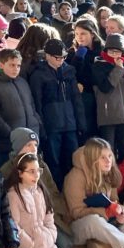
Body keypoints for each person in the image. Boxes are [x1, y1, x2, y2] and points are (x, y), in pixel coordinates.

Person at [5, 152, 74, 248]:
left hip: (45, 243)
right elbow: (15, 227)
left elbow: (49, 218)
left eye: (38, 170)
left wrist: (50, 236)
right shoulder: (13, 195)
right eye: (31, 171)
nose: (36, 175)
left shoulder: (40, 190)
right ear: (20, 173)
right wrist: (30, 244)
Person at [29, 38, 84, 187]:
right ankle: (56, 192)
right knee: (53, 163)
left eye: (63, 57)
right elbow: (37, 103)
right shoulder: (38, 74)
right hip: (51, 126)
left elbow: (76, 99)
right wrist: (41, 128)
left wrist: (81, 123)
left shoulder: (69, 71)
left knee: (73, 160)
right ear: (47, 55)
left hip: (70, 123)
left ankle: (72, 189)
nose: (60, 61)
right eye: (57, 57)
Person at [0, 49, 41, 168]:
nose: (16, 69)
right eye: (12, 65)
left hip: (30, 141)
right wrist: (11, 135)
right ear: (1, 65)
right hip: (7, 145)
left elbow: (32, 107)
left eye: (18, 66)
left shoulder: (22, 82)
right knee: (9, 174)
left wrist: (37, 125)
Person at [92, 33, 124, 162]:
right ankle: (110, 173)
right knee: (109, 150)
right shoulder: (99, 66)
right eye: (111, 51)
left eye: (118, 52)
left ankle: (123, 173)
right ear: (106, 51)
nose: (114, 55)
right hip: (108, 116)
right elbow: (105, 87)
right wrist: (118, 69)